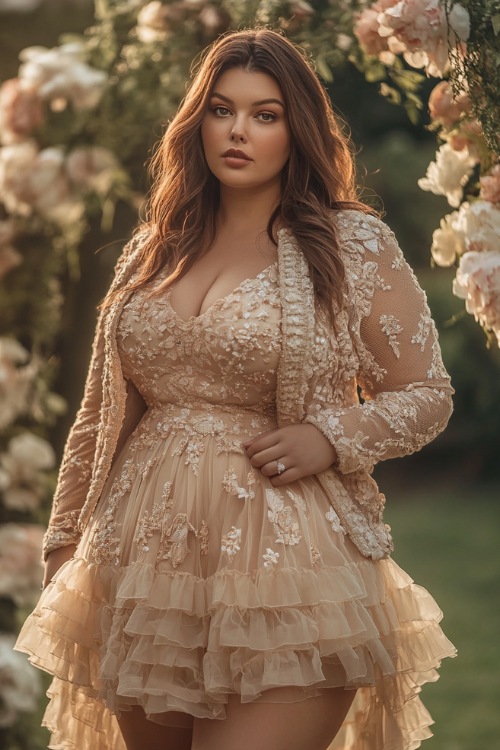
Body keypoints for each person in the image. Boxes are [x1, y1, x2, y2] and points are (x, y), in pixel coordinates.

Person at [15, 28, 456, 750]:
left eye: (265, 114)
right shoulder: (158, 242)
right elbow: (104, 411)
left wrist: (331, 436)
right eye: (222, 110)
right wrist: (66, 545)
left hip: (286, 567)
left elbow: (428, 392)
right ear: (199, 121)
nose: (238, 132)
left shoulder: (350, 244)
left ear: (297, 129)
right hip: (140, 574)